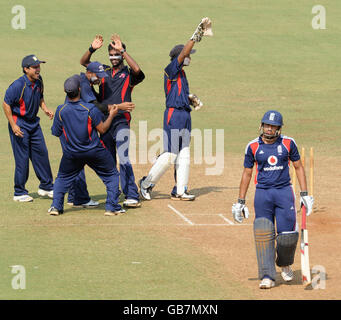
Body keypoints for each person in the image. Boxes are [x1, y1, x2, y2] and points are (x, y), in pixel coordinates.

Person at [231, 110, 314, 289]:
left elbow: (298, 167)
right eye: (267, 125)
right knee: (263, 235)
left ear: (278, 128)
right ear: (262, 126)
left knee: (288, 237)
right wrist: (240, 201)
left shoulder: (288, 143)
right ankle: (267, 276)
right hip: (263, 194)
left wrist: (305, 194)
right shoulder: (252, 146)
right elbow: (247, 173)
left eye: (273, 126)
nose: (269, 129)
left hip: (284, 192)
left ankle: (284, 263)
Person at [139, 18, 212, 201]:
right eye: (189, 55)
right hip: (173, 115)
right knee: (171, 154)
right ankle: (146, 184)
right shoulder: (171, 68)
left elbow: (178, 93)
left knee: (184, 152)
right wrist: (196, 34)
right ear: (180, 57)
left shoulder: (182, 74)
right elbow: (184, 53)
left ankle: (181, 190)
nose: (190, 57)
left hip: (184, 115)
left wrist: (191, 99)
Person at [80, 34, 144, 208]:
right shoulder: (103, 72)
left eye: (117, 54)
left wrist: (123, 51)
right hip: (105, 122)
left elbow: (138, 70)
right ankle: (114, 192)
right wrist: (92, 48)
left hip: (122, 122)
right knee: (108, 160)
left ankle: (131, 194)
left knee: (123, 158)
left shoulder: (128, 74)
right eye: (111, 54)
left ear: (122, 55)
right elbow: (84, 62)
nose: (114, 57)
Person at [49, 75, 125, 216]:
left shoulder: (60, 110)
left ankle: (55, 207)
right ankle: (111, 207)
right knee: (112, 175)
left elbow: (56, 132)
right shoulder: (90, 108)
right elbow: (102, 129)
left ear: (65, 91)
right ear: (79, 89)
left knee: (62, 178)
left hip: (72, 153)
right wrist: (112, 115)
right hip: (94, 151)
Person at [3, 54, 54, 202]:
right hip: (20, 124)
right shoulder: (18, 85)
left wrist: (44, 109)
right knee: (22, 158)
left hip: (34, 124)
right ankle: (19, 192)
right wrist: (13, 125)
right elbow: (6, 104)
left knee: (41, 154)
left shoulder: (39, 81)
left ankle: (46, 186)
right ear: (26, 69)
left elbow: (40, 97)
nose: (38, 69)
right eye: (35, 67)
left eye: (39, 66)